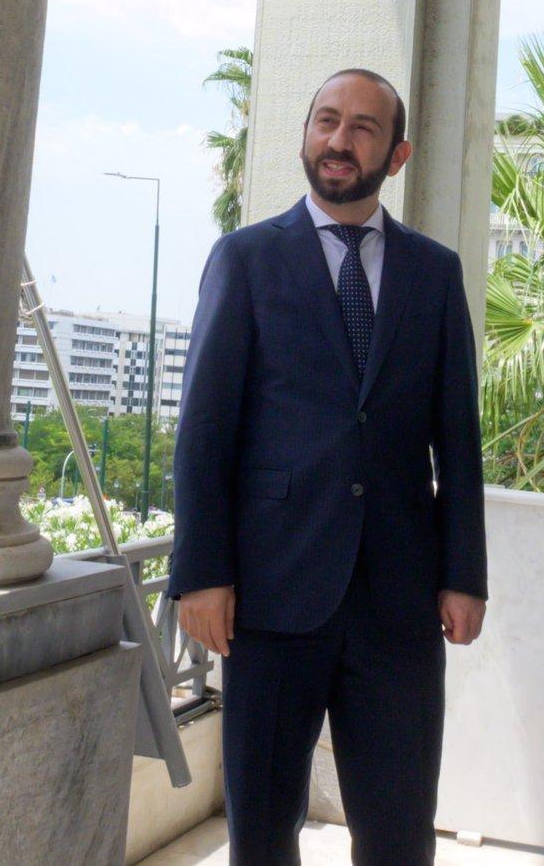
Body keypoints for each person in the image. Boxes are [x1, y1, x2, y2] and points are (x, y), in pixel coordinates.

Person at [170, 68, 488, 865]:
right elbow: (206, 428)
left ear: (399, 152)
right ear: (306, 133)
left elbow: (457, 435)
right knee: (264, 828)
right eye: (326, 121)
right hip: (270, 595)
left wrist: (464, 572)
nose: (339, 141)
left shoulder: (434, 273)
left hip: (399, 599)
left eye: (363, 128)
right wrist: (199, 571)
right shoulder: (244, 259)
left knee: (399, 830)